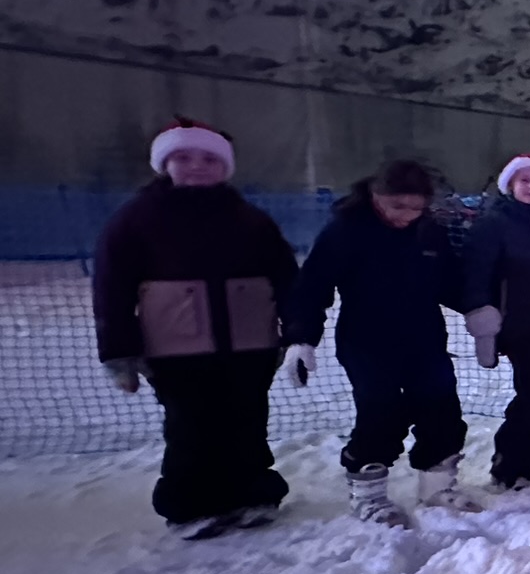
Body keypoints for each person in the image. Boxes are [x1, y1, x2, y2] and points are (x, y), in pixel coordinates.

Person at [92, 119, 298, 539]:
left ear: (225, 166)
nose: (197, 167)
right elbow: (111, 289)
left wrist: (296, 334)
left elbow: (287, 279)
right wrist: (119, 353)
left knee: (247, 420)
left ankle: (252, 493)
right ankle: (190, 506)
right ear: (162, 163)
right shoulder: (136, 219)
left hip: (249, 344)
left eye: (209, 159)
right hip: (175, 347)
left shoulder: (251, 219)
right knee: (191, 425)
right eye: (183, 158)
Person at [285, 159, 479, 525]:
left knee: (441, 408)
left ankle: (436, 487)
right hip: (367, 339)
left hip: (425, 337)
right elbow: (313, 286)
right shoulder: (346, 231)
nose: (407, 215)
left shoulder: (430, 232)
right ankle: (369, 494)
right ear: (376, 196)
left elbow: (450, 281)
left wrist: (481, 310)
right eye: (398, 206)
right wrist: (301, 337)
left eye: (416, 207)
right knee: (380, 410)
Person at [461, 154, 530, 490]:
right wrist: (480, 310)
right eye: (525, 180)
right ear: (511, 184)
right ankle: (508, 465)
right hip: (517, 326)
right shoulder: (495, 223)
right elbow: (476, 272)